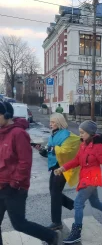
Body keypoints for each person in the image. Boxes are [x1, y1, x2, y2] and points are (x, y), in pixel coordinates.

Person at [54, 121, 102, 243]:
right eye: (80, 132)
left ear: (91, 133)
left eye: (82, 133)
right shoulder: (83, 145)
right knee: (95, 203)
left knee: (78, 203)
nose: (80, 135)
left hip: (92, 179)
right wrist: (63, 168)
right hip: (84, 178)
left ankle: (76, 232)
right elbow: (76, 160)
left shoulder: (98, 147)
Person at [0, 101, 59, 245]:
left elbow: (25, 162)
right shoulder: (1, 133)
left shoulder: (18, 134)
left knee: (19, 223)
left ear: (6, 115)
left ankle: (50, 236)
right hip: (1, 185)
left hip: (14, 188)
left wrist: (15, 183)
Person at [35, 113, 80, 230]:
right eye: (50, 122)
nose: (50, 124)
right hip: (55, 167)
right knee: (54, 192)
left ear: (59, 122)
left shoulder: (66, 134)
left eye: (53, 122)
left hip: (63, 168)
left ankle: (57, 222)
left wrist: (51, 149)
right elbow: (51, 153)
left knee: (55, 193)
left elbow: (65, 151)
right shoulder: (53, 135)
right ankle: (74, 205)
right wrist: (43, 151)